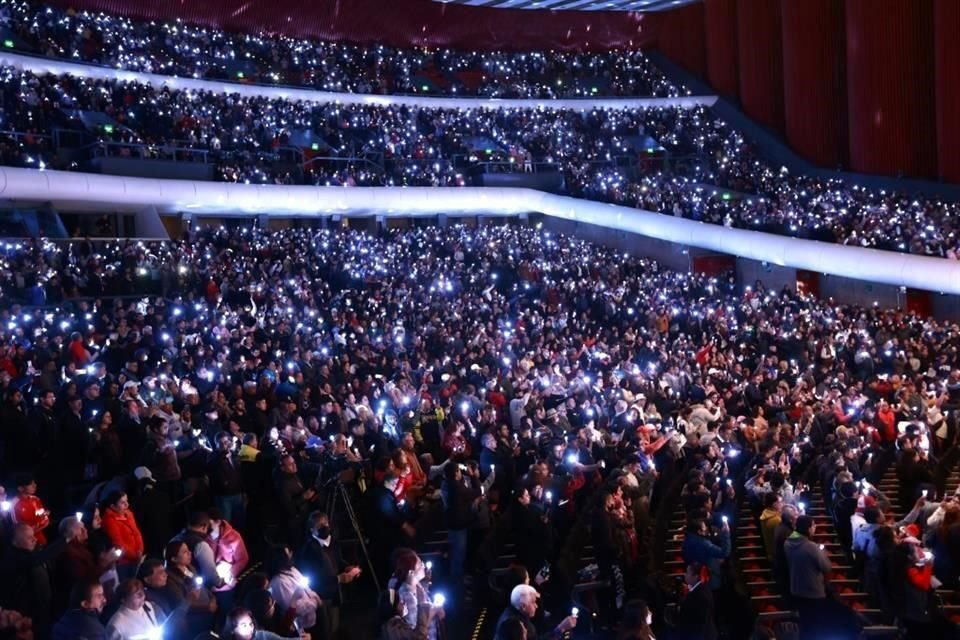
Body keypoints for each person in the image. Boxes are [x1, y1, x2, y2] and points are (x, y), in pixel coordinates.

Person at [294, 510, 361, 640]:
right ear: (312, 529)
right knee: (325, 629)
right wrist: (338, 578)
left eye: (326, 524)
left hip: (334, 593)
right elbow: (312, 577)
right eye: (320, 526)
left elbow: (338, 559)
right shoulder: (308, 550)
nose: (324, 527)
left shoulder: (331, 541)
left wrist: (347, 567)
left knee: (334, 627)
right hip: (320, 596)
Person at [266, 545, 323, 634]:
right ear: (281, 558)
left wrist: (315, 596)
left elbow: (307, 588)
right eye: (288, 553)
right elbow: (294, 608)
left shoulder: (292, 570)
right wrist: (314, 602)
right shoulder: (279, 582)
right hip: (301, 627)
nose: (291, 554)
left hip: (312, 619)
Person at [494, 584, 576, 640]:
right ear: (523, 606)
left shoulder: (517, 613)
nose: (536, 606)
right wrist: (561, 628)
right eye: (533, 602)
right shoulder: (514, 626)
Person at [101, 491, 145, 579]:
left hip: (136, 558)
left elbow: (137, 534)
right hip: (123, 562)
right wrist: (135, 555)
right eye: (122, 502)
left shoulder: (129, 514)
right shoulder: (109, 520)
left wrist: (140, 550)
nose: (127, 504)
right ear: (113, 506)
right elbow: (118, 543)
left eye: (127, 501)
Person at [673, 562, 716, 640]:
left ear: (695, 577)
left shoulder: (698, 595)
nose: (684, 574)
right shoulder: (702, 589)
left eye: (687, 572)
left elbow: (698, 622)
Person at [221, 606, 312, 640]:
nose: (250, 628)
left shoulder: (261, 635)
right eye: (244, 625)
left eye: (250, 624)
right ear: (232, 629)